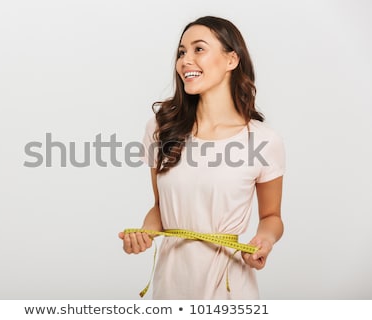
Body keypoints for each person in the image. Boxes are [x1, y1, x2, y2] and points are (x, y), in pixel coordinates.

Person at [119, 16, 285, 299]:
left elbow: (271, 216)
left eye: (199, 49)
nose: (185, 60)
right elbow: (161, 207)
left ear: (231, 60)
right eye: (181, 52)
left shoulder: (263, 140)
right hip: (170, 288)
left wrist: (264, 240)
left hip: (230, 288)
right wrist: (145, 233)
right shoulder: (162, 129)